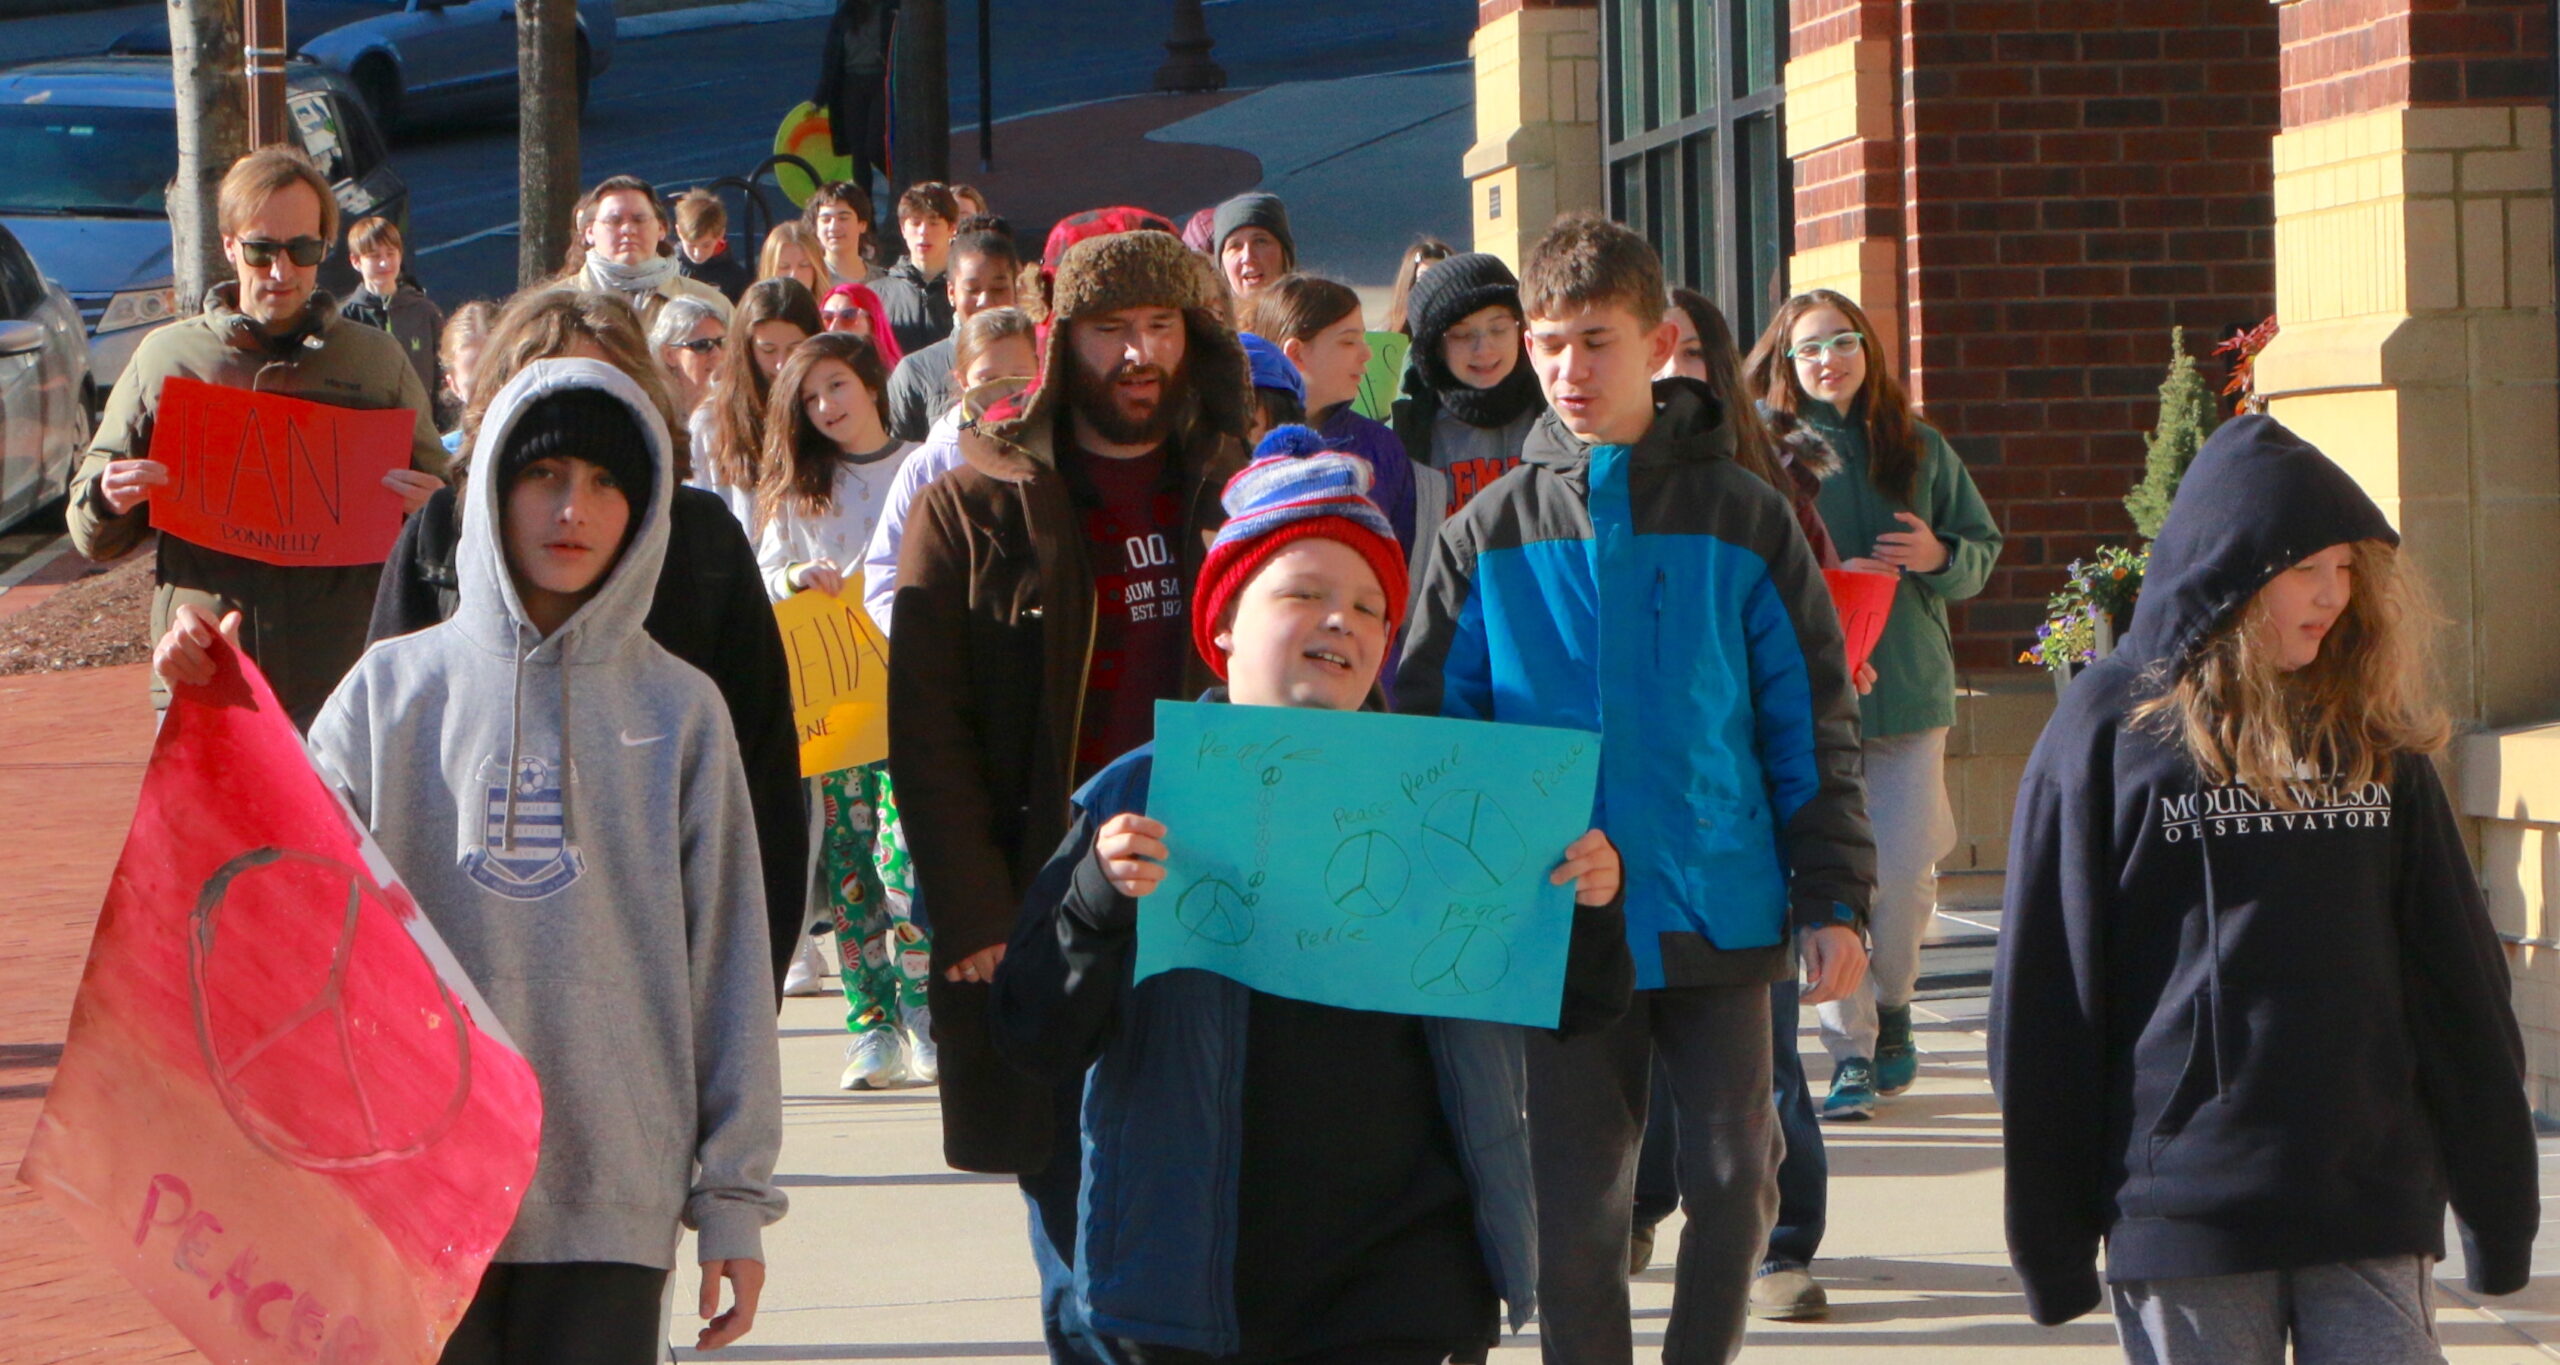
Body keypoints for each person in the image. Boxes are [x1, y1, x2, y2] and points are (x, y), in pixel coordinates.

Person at [992, 445, 1635, 1365]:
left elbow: (1580, 1002)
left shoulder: (1449, 790)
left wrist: (1593, 903)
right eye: (1302, 592)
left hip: (1405, 1270)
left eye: (1371, 606)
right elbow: (1031, 1032)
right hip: (1196, 1279)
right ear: (1223, 625)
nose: (1344, 619)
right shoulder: (1134, 799)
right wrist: (1093, 903)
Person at [1396, 214, 1874, 1365]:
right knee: (1580, 1209)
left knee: (1732, 1181)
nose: (1566, 369)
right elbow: (1431, 737)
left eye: (1593, 341)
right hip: (1558, 924)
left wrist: (1835, 897)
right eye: (1547, 342)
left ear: (1659, 341)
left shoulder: (1747, 518)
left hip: (1723, 900)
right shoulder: (1484, 531)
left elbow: (1810, 724)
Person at [1990, 415, 2540, 1361]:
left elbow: (2458, 980)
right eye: (2305, 570)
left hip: (2367, 1194)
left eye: (2345, 569)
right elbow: (2046, 994)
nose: (2333, 596)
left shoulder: (2368, 732)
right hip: (2188, 1211)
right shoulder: (2106, 730)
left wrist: (2498, 1207)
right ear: (2232, 572)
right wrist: (2050, 1237)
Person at [297, 359, 780, 1361]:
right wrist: (212, 706)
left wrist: (731, 1197)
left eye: (608, 483)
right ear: (490, 489)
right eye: (546, 473)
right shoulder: (390, 695)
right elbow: (284, 898)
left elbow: (727, 962)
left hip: (610, 1195)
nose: (575, 508)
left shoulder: (681, 712)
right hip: (417, 1189)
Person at [887, 227, 1251, 1364]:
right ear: (1060, 344)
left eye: (1159, 328)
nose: (1138, 353)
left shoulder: (1246, 491)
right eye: (1109, 330)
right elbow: (927, 735)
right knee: (1081, 1243)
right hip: (1055, 917)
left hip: (1226, 910)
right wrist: (978, 916)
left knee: (1222, 1227)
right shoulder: (970, 510)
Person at [367, 289, 809, 1006]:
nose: (574, 497)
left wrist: (749, 995)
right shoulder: (438, 534)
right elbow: (369, 785)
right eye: (543, 409)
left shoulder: (702, 545)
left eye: (604, 402)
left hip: (647, 988)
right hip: (466, 987)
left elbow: (762, 781)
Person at [1636, 284, 1851, 1323]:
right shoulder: (1587, 496)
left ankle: (1783, 1247)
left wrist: (1828, 884)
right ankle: (1637, 1206)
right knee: (1627, 1052)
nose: (1668, 387)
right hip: (1622, 840)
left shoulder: (1766, 499)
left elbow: (1811, 692)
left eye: (1685, 362)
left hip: (1741, 835)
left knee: (1765, 1065)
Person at [68, 147, 446, 729]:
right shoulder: (167, 359)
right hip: (209, 670)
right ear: (229, 247)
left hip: (345, 680)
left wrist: (431, 510)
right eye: (261, 250)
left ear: (325, 249)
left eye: (302, 250)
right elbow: (90, 525)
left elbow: (449, 518)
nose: (281, 271)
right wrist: (105, 496)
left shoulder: (376, 362)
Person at [1745, 289, 2001, 1123]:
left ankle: (1894, 1000)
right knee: (1826, 879)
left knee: (1902, 873)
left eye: (1844, 343)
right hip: (1812, 698)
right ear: (1785, 362)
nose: (1829, 361)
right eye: (1810, 349)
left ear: (1870, 350)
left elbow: (1981, 551)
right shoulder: (1769, 451)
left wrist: (1939, 553)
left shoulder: (1918, 447)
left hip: (1908, 691)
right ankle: (1850, 1050)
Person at [753, 332, 932, 1088]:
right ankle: (872, 1021)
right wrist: (797, 573)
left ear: (869, 380)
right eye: (810, 398)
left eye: (836, 387)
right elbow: (764, 570)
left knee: (910, 854)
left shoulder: (918, 465)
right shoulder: (801, 487)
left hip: (916, 693)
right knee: (851, 859)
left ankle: (926, 1007)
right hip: (836, 702)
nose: (827, 407)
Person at [858, 305, 1038, 633]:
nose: (1004, 393)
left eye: (1018, 378)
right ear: (962, 380)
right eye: (988, 380)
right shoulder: (929, 466)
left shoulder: (1062, 450)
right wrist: (924, 645)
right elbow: (885, 577)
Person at [1391, 252, 1545, 518]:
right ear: (1435, 348)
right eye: (1461, 335)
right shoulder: (1406, 436)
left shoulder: (1558, 415)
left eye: (1498, 329)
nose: (1483, 348)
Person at [694, 277, 823, 532]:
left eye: (795, 349)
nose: (781, 364)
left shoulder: (829, 409)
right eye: (768, 350)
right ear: (746, 349)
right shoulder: (711, 421)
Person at [885, 228, 1020, 441]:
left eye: (998, 288)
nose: (984, 301)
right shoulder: (916, 373)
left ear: (1016, 289)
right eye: (973, 289)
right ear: (951, 292)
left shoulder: (1042, 362)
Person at [558, 175, 732, 329]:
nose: (628, 229)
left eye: (639, 219)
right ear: (589, 232)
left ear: (661, 229)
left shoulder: (711, 305)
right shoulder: (557, 307)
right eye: (614, 221)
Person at [341, 214, 443, 398]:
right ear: (356, 261)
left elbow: (442, 373)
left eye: (390, 253)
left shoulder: (424, 311)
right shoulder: (344, 318)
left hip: (419, 422)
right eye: (374, 256)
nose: (384, 262)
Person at [813, 0, 894, 192]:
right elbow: (831, 57)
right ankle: (865, 213)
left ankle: (901, 184)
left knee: (874, 146)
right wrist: (820, 97)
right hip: (852, 84)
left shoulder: (890, 9)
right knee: (858, 152)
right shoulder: (846, 13)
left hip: (880, 81)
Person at [874, 182, 961, 354]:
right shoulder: (878, 293)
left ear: (952, 228)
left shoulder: (966, 288)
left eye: (934, 223)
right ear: (902, 229)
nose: (923, 232)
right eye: (915, 223)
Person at [651, 294, 727, 417]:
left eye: (722, 342)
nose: (716, 353)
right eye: (702, 345)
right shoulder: (654, 416)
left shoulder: (740, 413)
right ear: (669, 355)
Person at [674, 188, 755, 303]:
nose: (698, 254)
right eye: (691, 245)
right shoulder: (667, 270)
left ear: (720, 235)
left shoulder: (735, 278)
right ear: (679, 232)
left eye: (706, 245)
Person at [437, 299, 499, 446]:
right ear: (454, 386)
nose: (489, 393)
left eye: (499, 376)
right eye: (474, 386)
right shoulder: (442, 455)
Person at [1211, 192, 1294, 301]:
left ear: (1284, 253)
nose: (1248, 257)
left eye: (1260, 241)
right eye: (1235, 246)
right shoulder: (1208, 317)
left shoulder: (1315, 314)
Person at [805, 180, 882, 289]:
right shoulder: (810, 279)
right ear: (816, 227)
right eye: (826, 220)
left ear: (862, 224)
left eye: (843, 218)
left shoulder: (882, 281)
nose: (833, 227)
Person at [820, 280, 901, 365]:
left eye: (848, 315)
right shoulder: (815, 372)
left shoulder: (896, 374)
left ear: (871, 321)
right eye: (827, 317)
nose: (834, 327)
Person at [759, 220, 827, 297]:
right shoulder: (756, 308)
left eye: (804, 265)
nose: (794, 275)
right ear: (769, 269)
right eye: (784, 267)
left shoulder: (833, 306)